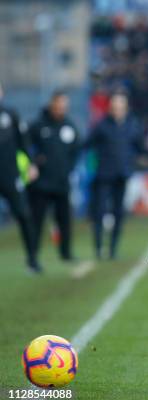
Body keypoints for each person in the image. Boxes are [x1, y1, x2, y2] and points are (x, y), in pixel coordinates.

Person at [86, 91, 144, 260]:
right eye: (115, 107)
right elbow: (87, 145)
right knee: (100, 212)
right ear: (110, 108)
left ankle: (113, 250)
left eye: (121, 107)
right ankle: (98, 249)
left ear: (126, 108)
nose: (117, 110)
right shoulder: (101, 125)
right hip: (103, 176)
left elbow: (140, 148)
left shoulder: (132, 125)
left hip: (122, 176)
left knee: (119, 214)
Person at [27, 91, 80, 262]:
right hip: (40, 184)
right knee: (36, 222)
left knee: (65, 221)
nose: (61, 109)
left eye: (64, 106)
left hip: (62, 183)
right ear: (52, 105)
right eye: (58, 106)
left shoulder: (69, 126)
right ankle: (33, 255)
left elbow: (76, 150)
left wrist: (69, 168)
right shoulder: (38, 126)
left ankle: (66, 253)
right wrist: (34, 162)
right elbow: (26, 147)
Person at [0, 81, 41, 273]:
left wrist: (31, 164)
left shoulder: (10, 114)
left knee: (24, 215)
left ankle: (32, 259)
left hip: (9, 174)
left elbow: (23, 141)